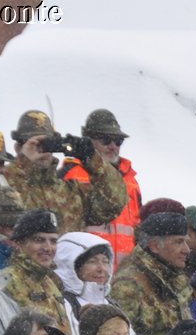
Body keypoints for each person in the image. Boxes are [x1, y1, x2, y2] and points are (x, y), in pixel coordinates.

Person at [3, 109, 126, 236]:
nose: (41, 150)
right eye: (33, 143)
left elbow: (113, 204)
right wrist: (23, 161)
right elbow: (3, 194)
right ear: (18, 148)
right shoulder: (9, 183)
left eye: (46, 143)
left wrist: (93, 159)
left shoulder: (72, 193)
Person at [111, 210, 192, 335]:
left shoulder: (173, 277)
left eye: (186, 242)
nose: (187, 250)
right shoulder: (128, 285)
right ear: (155, 246)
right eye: (178, 242)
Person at [59, 109, 140, 257]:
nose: (113, 146)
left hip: (123, 273)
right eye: (105, 140)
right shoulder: (73, 174)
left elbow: (136, 226)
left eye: (118, 141)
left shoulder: (131, 180)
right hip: (87, 268)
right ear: (88, 140)